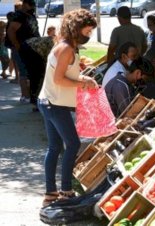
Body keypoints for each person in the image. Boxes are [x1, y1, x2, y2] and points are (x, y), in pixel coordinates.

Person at [37, 9, 98, 207]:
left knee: (54, 147)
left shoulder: (64, 45)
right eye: (87, 32)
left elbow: (64, 75)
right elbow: (59, 79)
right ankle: (65, 191)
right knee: (72, 144)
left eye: (90, 33)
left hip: (49, 101)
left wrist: (83, 78)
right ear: (76, 28)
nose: (88, 36)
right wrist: (83, 83)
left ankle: (50, 194)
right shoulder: (66, 49)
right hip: (54, 104)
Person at [7, 0, 40, 103]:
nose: (33, 8)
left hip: (32, 47)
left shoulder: (30, 15)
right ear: (25, 4)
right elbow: (11, 31)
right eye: (31, 5)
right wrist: (17, 45)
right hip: (22, 48)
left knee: (32, 72)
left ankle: (31, 94)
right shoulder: (18, 16)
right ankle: (25, 96)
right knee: (24, 72)